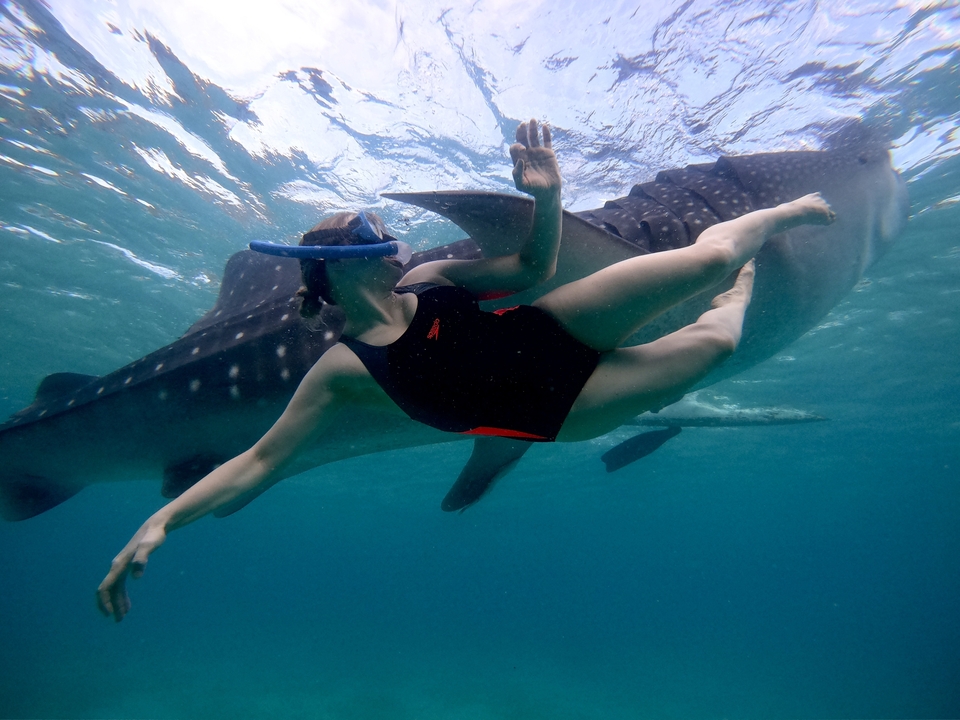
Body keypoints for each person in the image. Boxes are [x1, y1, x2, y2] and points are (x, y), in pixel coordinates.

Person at [98, 119, 835, 621]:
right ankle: (737, 295)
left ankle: (777, 220)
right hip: (557, 411)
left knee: (706, 257)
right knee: (718, 347)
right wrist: (163, 519)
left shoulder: (434, 279)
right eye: (372, 235)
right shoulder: (341, 370)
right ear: (336, 262)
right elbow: (258, 463)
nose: (391, 241)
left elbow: (533, 265)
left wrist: (545, 197)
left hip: (553, 330)